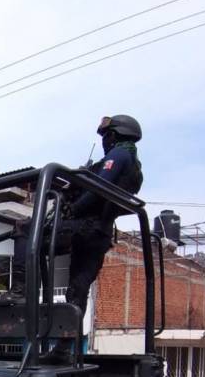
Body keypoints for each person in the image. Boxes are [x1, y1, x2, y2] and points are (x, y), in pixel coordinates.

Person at [8, 114, 143, 313]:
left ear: (114, 135)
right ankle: (70, 333)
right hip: (101, 234)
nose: (104, 141)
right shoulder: (134, 166)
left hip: (86, 227)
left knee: (25, 229)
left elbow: (99, 188)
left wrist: (75, 207)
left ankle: (20, 290)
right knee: (77, 290)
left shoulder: (119, 154)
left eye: (106, 135)